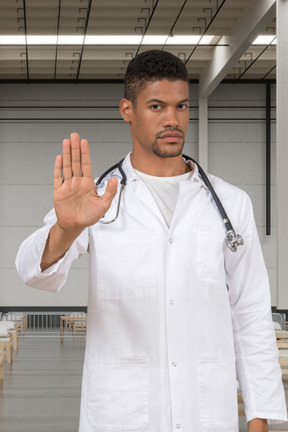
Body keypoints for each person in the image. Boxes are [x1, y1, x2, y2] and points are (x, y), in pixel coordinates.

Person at [16, 50, 287, 432]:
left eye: (181, 106)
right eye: (156, 106)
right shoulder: (97, 199)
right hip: (121, 414)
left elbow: (251, 316)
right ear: (128, 109)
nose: (172, 120)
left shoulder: (231, 203)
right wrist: (68, 227)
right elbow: (32, 270)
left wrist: (260, 419)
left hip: (206, 414)